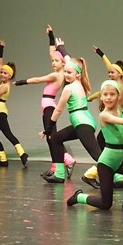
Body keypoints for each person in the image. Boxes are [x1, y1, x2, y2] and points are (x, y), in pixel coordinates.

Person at [67, 52, 123, 211]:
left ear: (118, 96)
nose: (108, 97)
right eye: (105, 95)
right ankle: (79, 197)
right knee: (105, 204)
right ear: (101, 97)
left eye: (112, 94)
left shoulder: (120, 108)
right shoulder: (104, 115)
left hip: (120, 161)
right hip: (107, 164)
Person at [13, 25, 76, 177]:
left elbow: (37, 79)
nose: (53, 62)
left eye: (56, 61)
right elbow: (52, 53)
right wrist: (50, 36)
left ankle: (66, 160)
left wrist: (21, 82)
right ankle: (58, 164)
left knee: (52, 137)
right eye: (52, 61)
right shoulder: (59, 72)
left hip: (49, 105)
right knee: (50, 138)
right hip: (47, 105)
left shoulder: (57, 75)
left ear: (63, 63)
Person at [40, 55, 101, 183]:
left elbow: (58, 110)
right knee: (55, 138)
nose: (66, 75)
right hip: (83, 122)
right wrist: (61, 49)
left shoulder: (69, 88)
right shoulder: (80, 84)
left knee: (98, 156)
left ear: (78, 74)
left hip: (82, 124)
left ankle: (117, 176)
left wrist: (48, 129)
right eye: (65, 72)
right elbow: (71, 63)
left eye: (69, 72)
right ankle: (59, 174)